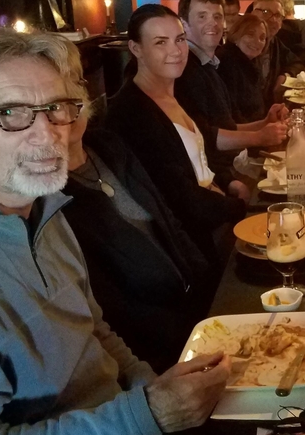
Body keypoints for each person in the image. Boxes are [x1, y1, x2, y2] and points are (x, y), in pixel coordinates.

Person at [0, 29, 229, 435]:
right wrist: (144, 417)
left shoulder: (42, 209)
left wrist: (153, 389)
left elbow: (94, 330)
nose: (49, 133)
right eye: (10, 114)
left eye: (56, 108)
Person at [64, 80, 215, 373]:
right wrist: (188, 332)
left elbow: (167, 218)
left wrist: (208, 286)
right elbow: (111, 306)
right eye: (50, 106)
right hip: (153, 350)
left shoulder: (109, 146)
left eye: (71, 97)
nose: (64, 114)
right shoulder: (50, 198)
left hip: (194, 307)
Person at [107, 5, 248, 267]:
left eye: (180, 39)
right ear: (136, 48)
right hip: (191, 243)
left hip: (213, 213)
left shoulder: (176, 92)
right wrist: (240, 208)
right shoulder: (132, 113)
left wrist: (229, 182)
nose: (176, 51)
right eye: (161, 42)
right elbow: (180, 199)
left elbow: (197, 158)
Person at [175, 0, 288, 195]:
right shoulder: (185, 71)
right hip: (214, 179)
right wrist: (259, 137)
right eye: (202, 16)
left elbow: (226, 125)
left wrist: (264, 124)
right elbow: (203, 137)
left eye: (217, 16)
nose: (213, 23)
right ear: (184, 24)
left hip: (230, 166)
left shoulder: (209, 65)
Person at [217, 11, 269, 122]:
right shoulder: (226, 62)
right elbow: (233, 116)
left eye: (262, 37)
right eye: (250, 34)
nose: (257, 42)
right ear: (236, 34)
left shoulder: (250, 62)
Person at [254, 0, 305, 104]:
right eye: (266, 12)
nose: (273, 20)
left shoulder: (275, 43)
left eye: (277, 15)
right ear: (253, 14)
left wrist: (285, 75)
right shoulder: (244, 47)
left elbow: (297, 63)